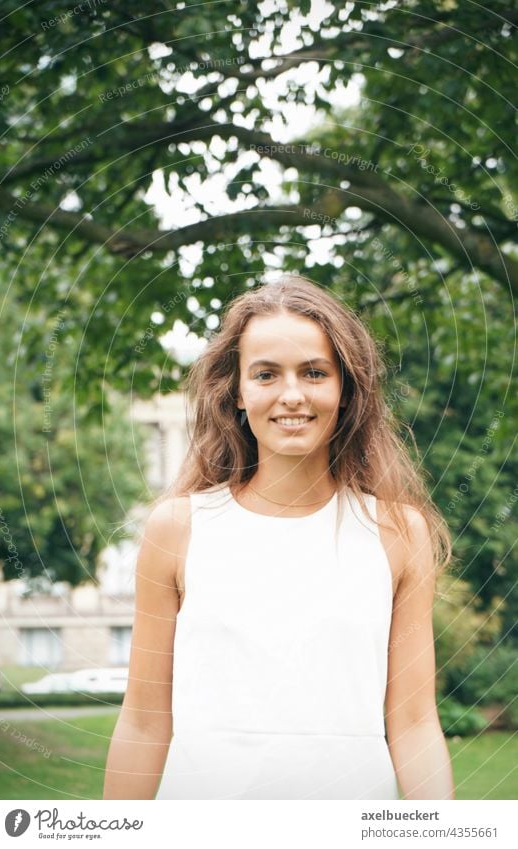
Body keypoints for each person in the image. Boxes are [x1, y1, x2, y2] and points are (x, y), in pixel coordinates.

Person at [103, 274, 455, 800]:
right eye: (266, 374)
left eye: (314, 372)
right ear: (238, 393)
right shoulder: (177, 528)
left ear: (345, 389)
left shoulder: (398, 533)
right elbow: (144, 724)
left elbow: (413, 723)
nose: (292, 395)